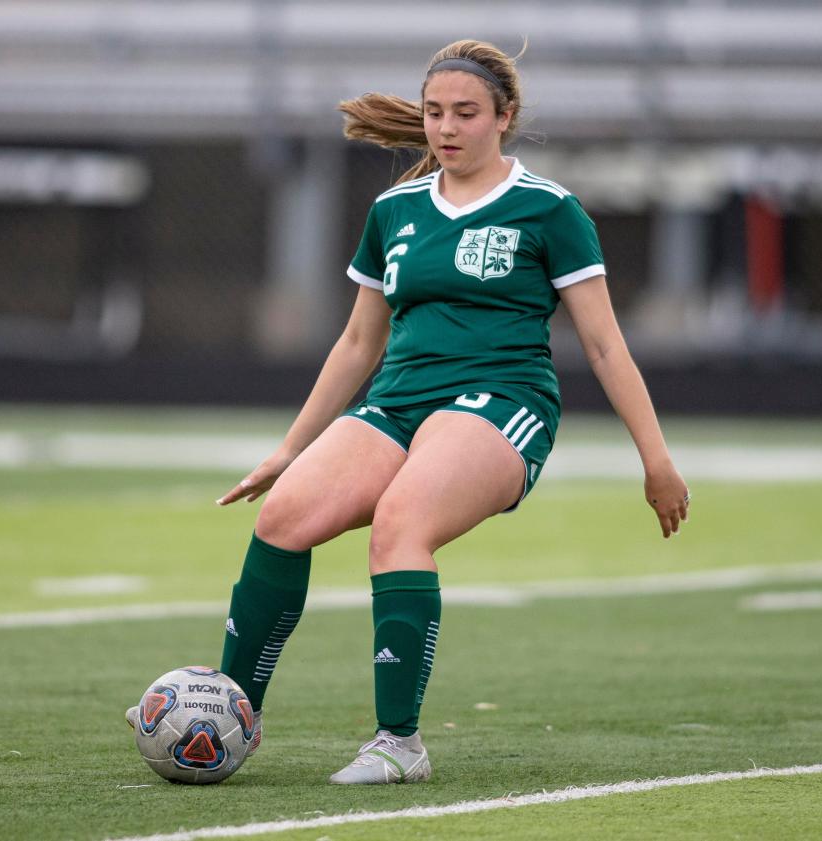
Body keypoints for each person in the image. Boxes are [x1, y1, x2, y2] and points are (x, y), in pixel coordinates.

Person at [214, 39, 689, 785]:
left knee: (403, 520)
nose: (446, 128)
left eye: (465, 113)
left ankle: (399, 743)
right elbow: (356, 342)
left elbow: (604, 346)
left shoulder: (550, 210)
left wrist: (655, 460)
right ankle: (226, 715)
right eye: (435, 112)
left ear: (504, 117)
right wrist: (287, 450)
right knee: (282, 517)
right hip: (398, 401)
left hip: (504, 403)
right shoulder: (394, 210)